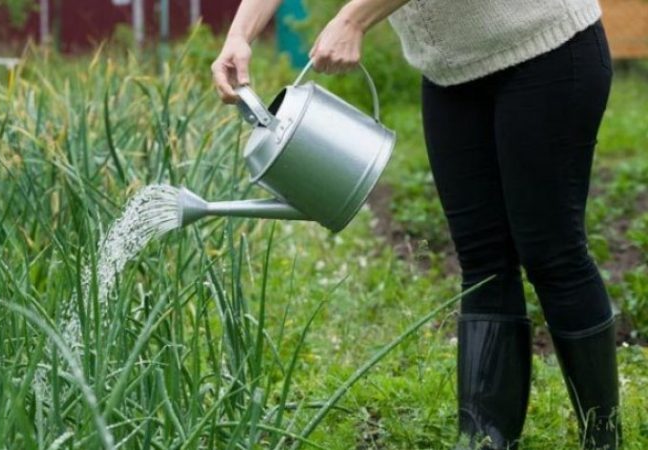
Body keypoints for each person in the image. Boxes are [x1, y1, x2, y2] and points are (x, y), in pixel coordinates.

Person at [211, 1, 620, 449]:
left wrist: (352, 19)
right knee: (482, 260)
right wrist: (239, 36)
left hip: (546, 50)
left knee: (551, 253)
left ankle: (603, 438)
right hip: (452, 74)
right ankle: (485, 439)